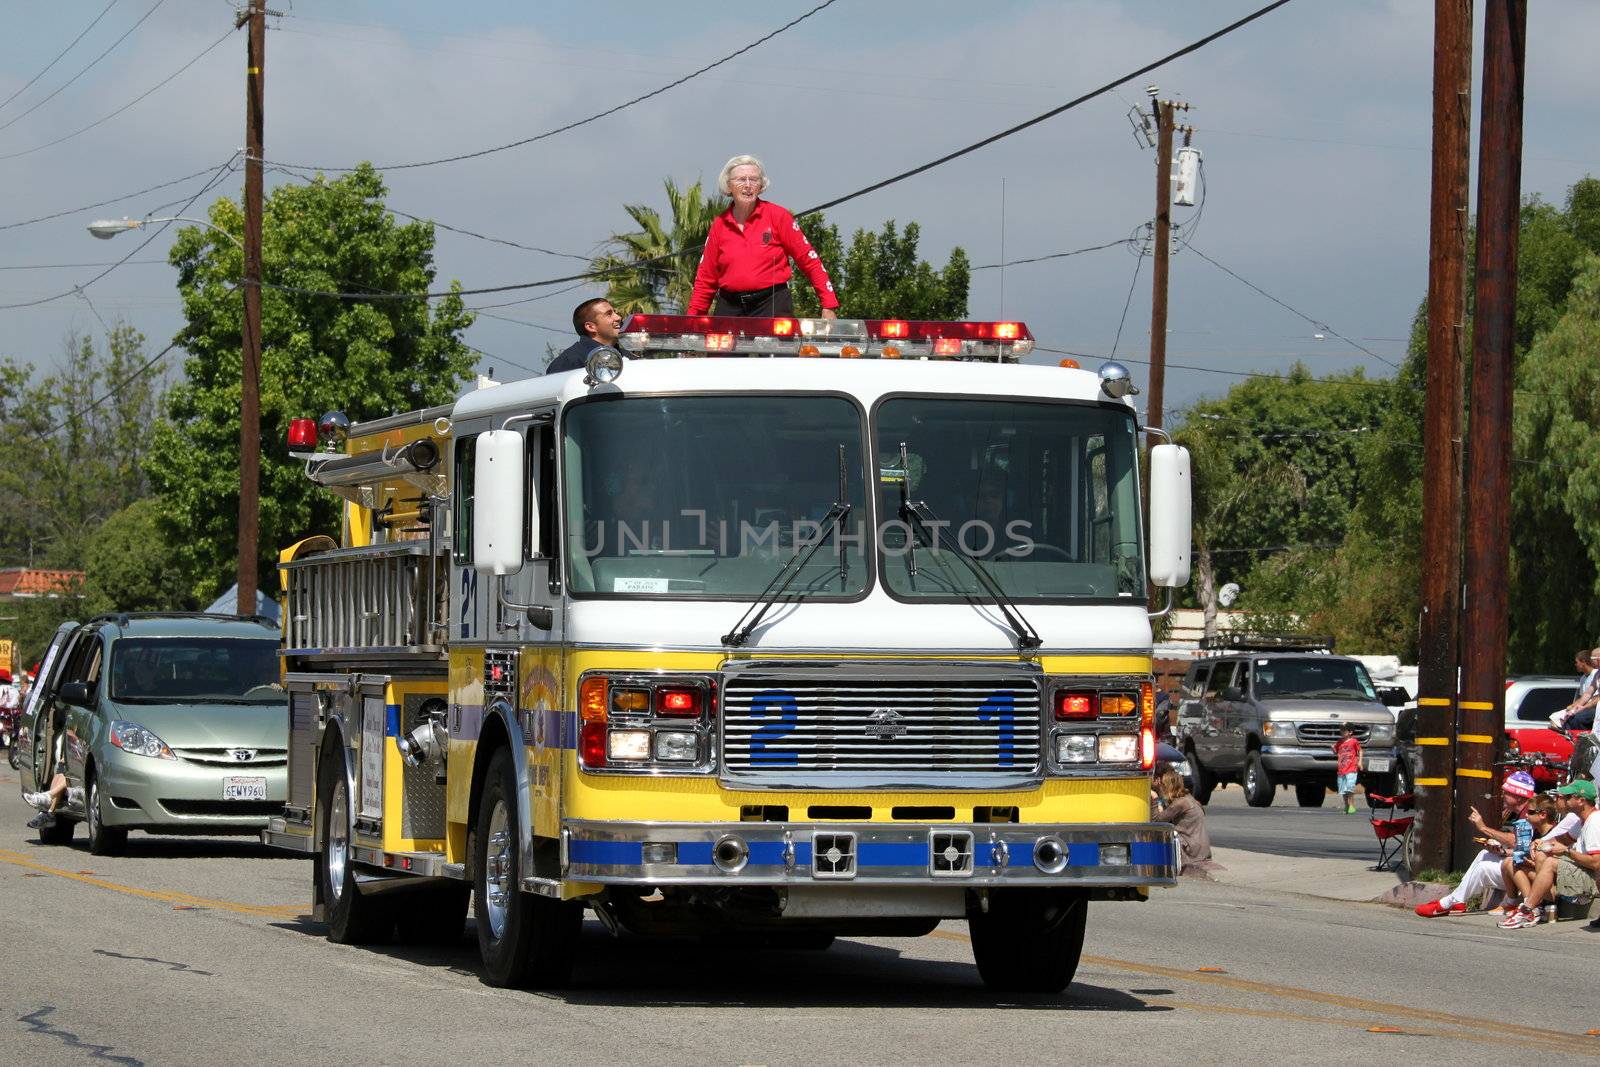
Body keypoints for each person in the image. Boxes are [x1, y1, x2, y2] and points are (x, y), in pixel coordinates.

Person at [687, 155, 840, 319]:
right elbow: (705, 277)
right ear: (728, 186)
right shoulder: (719, 224)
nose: (747, 185)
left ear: (761, 186)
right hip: (729, 306)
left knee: (777, 344)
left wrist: (829, 305)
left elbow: (809, 260)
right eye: (741, 179)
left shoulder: (779, 216)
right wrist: (692, 319)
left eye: (753, 180)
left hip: (771, 303)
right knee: (719, 345)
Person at [1500, 779, 1600, 930]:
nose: (1563, 800)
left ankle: (1529, 910)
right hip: (1585, 874)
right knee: (1541, 854)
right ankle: (1543, 905)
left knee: (1550, 863)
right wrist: (1539, 842)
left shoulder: (1594, 823)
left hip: (1591, 881)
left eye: (1568, 797)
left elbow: (1596, 863)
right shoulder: (1582, 820)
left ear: (1581, 801)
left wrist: (1566, 851)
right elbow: (1563, 839)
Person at [1153, 766, 1218, 874]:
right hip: (1200, 848)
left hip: (1192, 851)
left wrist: (1155, 798)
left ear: (1166, 786)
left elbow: (1156, 821)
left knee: (1162, 835)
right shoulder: (1188, 799)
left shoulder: (1180, 804)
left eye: (1161, 785)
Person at [547, 298, 624, 375]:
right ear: (590, 327)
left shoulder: (628, 356)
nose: (618, 317)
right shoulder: (569, 362)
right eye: (609, 314)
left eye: (615, 312)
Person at [1550, 648, 1600, 728]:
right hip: (1593, 707)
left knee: (1577, 718)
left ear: (1598, 659)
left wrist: (1583, 707)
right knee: (1562, 717)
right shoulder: (1597, 674)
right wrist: (1575, 707)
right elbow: (1587, 694)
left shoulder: (1594, 673)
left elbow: (1598, 698)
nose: (1590, 661)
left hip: (1595, 707)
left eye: (1591, 659)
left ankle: (1580, 738)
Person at [1335, 722, 1362, 814]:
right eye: (1341, 730)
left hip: (1351, 768)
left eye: (1344, 730)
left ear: (1350, 732)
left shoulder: (1354, 741)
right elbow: (1336, 751)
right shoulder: (1339, 742)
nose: (1341, 731)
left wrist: (1360, 762)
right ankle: (1346, 806)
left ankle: (1352, 806)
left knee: (1350, 788)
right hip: (1341, 770)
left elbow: (1360, 751)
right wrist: (1332, 749)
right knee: (1343, 790)